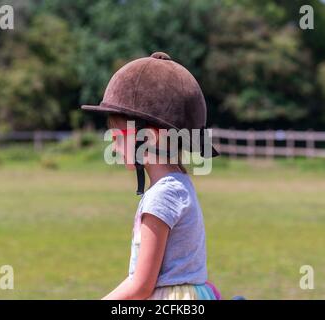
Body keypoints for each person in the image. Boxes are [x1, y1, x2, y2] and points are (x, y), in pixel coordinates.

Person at [80, 52, 221, 300]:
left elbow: (141, 286)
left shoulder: (162, 196)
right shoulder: (179, 184)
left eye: (117, 137)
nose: (113, 147)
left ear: (148, 138)